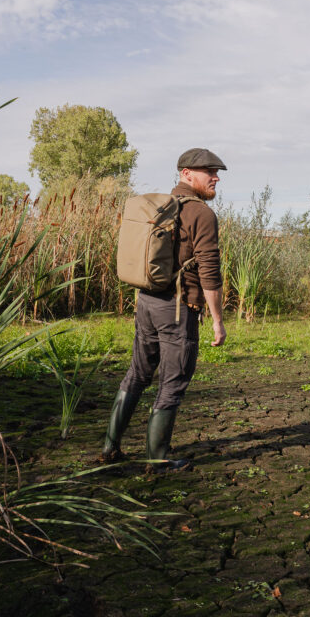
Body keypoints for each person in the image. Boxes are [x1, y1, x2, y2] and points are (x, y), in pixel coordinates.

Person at [100, 147, 228, 472]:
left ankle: (109, 448)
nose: (215, 177)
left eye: (217, 172)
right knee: (173, 382)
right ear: (186, 174)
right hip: (177, 310)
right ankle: (157, 461)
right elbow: (210, 273)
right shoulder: (201, 214)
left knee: (138, 374)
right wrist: (217, 322)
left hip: (146, 302)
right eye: (208, 172)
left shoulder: (161, 206)